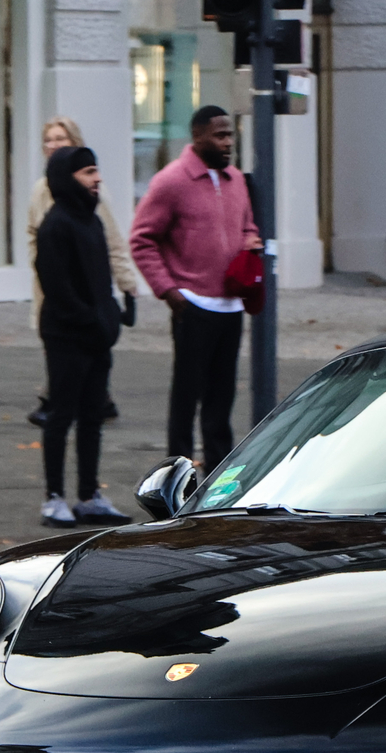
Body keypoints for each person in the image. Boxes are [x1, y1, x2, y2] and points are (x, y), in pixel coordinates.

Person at [129, 105, 261, 469]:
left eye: (230, 134)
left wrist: (250, 242)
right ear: (198, 137)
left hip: (231, 305)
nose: (228, 142)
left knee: (222, 398)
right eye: (219, 135)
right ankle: (178, 473)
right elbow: (142, 239)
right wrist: (169, 292)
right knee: (187, 397)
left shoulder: (235, 179)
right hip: (193, 305)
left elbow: (248, 225)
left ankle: (218, 475)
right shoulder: (171, 182)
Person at [33, 147, 130, 528]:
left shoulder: (92, 221)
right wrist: (92, 320)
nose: (97, 179)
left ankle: (89, 494)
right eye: (89, 172)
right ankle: (54, 497)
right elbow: (58, 289)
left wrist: (112, 314)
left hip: (97, 336)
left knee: (92, 417)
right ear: (68, 177)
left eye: (96, 170)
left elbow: (100, 277)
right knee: (61, 415)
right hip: (66, 335)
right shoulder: (54, 226)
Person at [27, 117, 136, 427]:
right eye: (49, 140)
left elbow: (111, 239)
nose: (53, 145)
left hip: (88, 283)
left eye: (60, 139)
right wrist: (42, 264)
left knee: (87, 342)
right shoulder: (40, 190)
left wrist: (126, 282)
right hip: (51, 281)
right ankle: (69, 398)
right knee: (55, 339)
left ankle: (83, 399)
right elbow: (32, 231)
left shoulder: (93, 189)